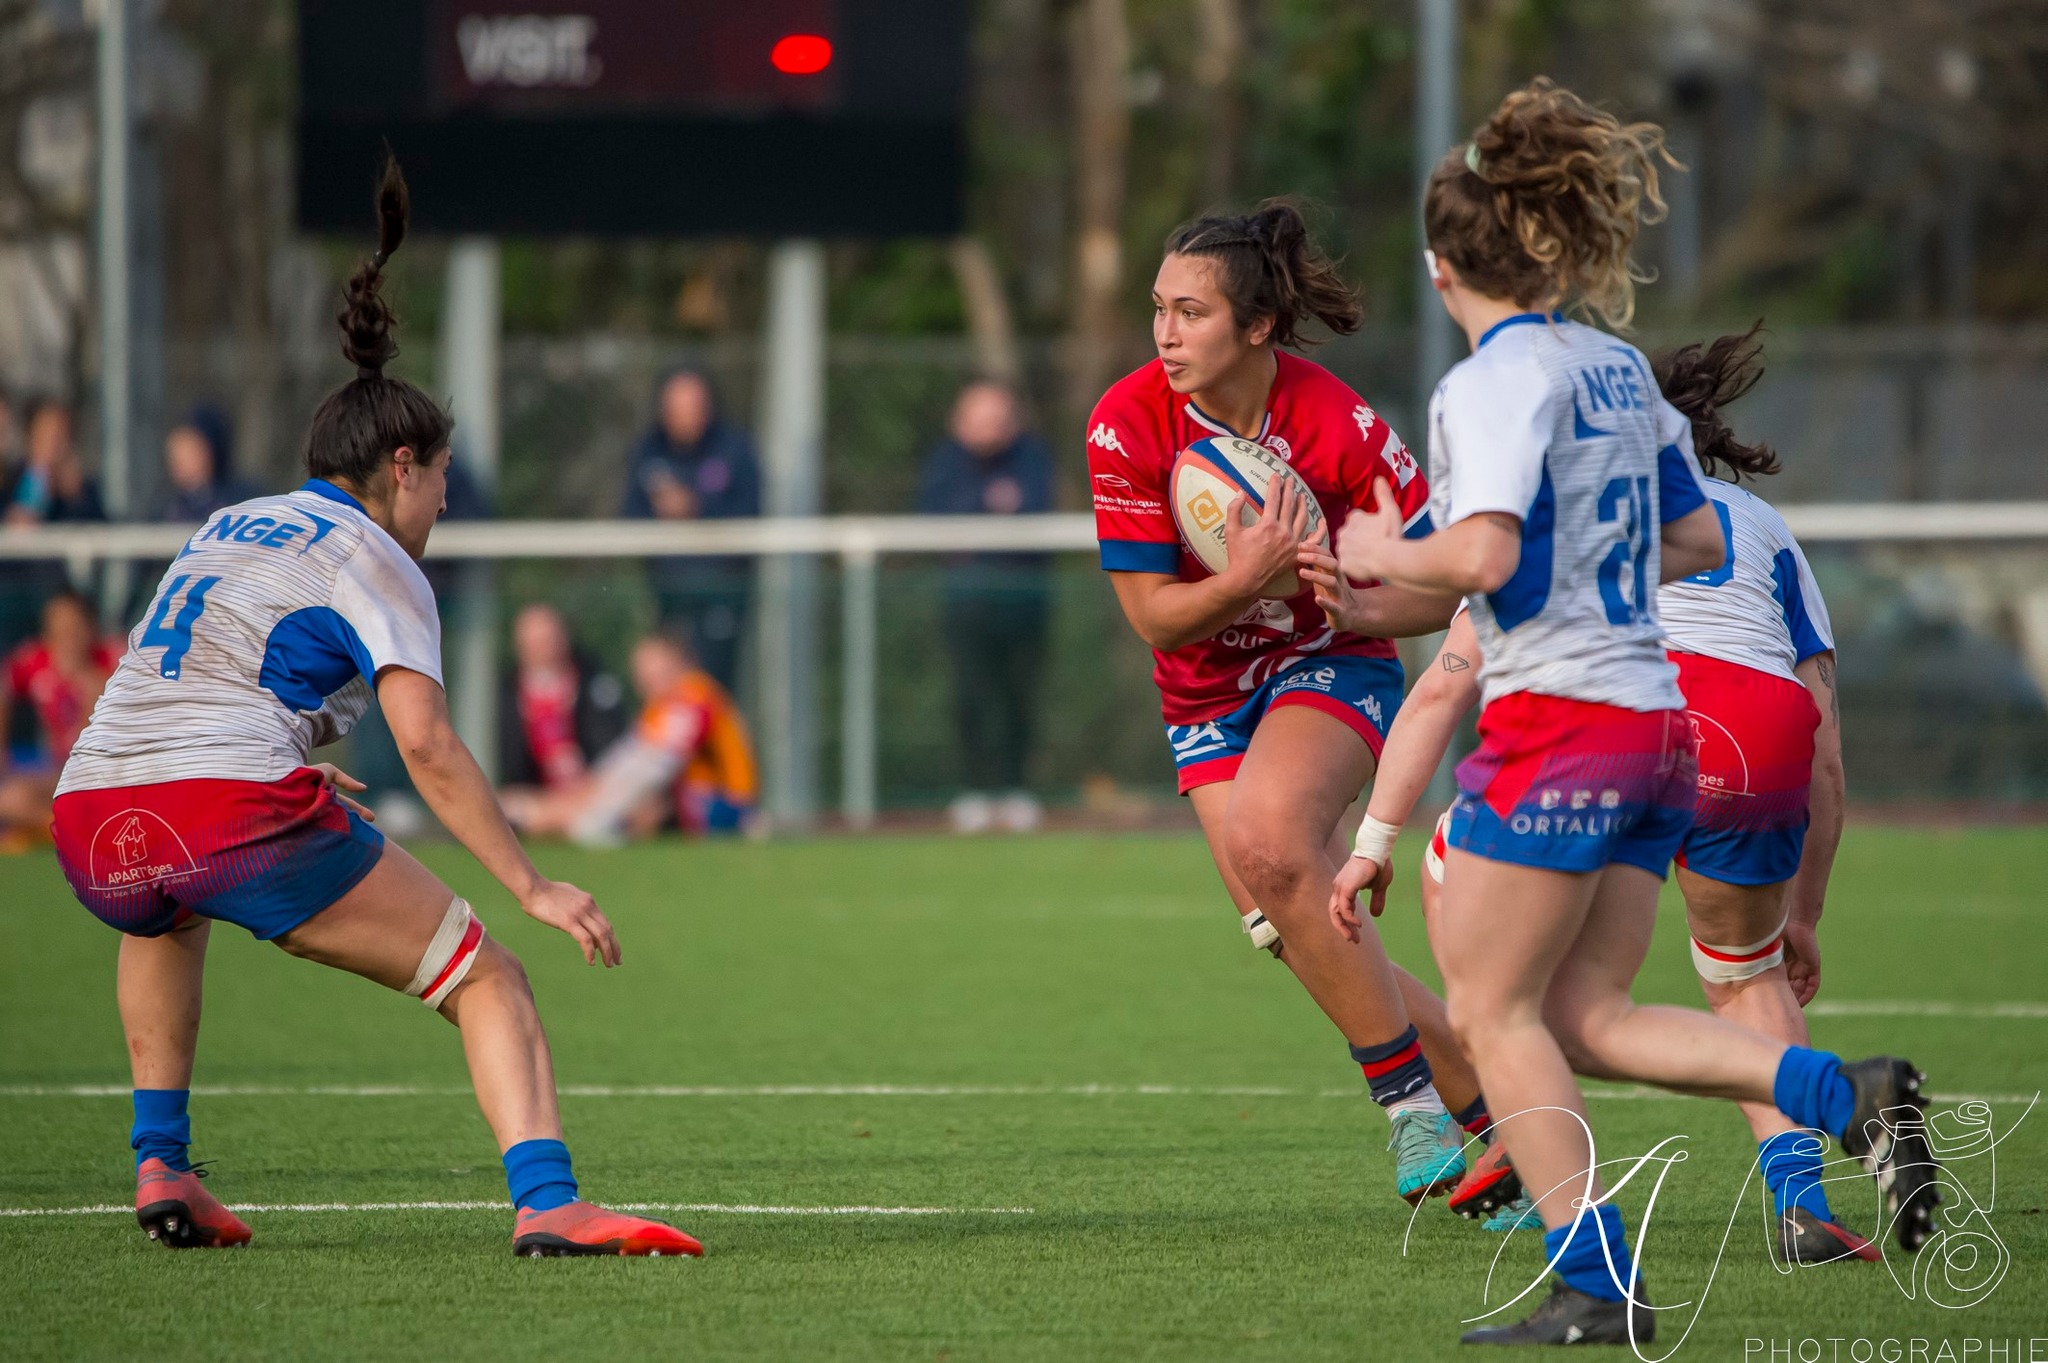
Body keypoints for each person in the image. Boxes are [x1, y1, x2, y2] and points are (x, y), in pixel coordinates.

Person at [1331, 81, 1938, 1345]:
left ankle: (1595, 1285)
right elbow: (1694, 534)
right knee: (1582, 1023)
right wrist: (1571, 565)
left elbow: (1486, 552)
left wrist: (1389, 550)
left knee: (1496, 1017)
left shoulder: (1484, 383)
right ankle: (1848, 1092)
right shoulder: (1611, 368)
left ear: (1443, 266)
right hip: (1654, 725)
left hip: (1559, 722)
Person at [47, 157, 699, 1259]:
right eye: (442, 477)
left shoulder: (226, 523)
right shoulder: (379, 555)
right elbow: (429, 748)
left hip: (89, 815)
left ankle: (163, 1164)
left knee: (166, 905)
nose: (444, 501)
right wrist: (531, 881)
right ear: (402, 464)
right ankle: (549, 1201)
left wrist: (290, 742)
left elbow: (191, 677)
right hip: (225, 808)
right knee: (486, 971)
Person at [1086, 198, 1493, 1208]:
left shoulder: (1339, 426)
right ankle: (1505, 1122)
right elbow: (1154, 619)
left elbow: (1439, 585)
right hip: (1201, 696)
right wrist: (1249, 576)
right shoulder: (1126, 420)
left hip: (1330, 663)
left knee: (1273, 847)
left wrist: (1350, 588)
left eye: (1189, 313)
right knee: (1292, 919)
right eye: (1157, 309)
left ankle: (1409, 1115)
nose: (1164, 334)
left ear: (1255, 326)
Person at [915, 380, 1056, 833]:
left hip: (1023, 604)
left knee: (1019, 697)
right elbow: (933, 518)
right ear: (959, 422)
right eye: (979, 418)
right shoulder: (945, 462)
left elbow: (1040, 509)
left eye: (997, 418)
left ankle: (1016, 790)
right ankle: (975, 790)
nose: (989, 429)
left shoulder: (1031, 457)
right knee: (970, 698)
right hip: (967, 606)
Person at [507, 630, 758, 846]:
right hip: (689, 803)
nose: (645, 677)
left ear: (677, 664)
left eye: (654, 667)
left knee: (612, 809)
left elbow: (651, 765)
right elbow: (629, 758)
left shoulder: (695, 695)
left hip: (720, 808)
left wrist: (595, 810)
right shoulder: (661, 704)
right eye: (641, 670)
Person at [622, 367, 761, 693]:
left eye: (695, 408)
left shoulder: (735, 449)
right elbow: (629, 516)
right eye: (678, 410)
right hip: (666, 595)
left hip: (722, 593)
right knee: (668, 691)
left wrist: (697, 509)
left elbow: (750, 514)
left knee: (711, 691)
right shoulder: (648, 451)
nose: (687, 419)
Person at [0, 590, 121, 847]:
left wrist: (90, 684)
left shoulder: (111, 661)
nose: (68, 636)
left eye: (75, 627)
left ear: (90, 627)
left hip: (108, 778)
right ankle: (57, 829)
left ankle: (53, 830)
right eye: (60, 628)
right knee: (9, 799)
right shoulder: (36, 662)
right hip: (59, 774)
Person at [496, 603, 631, 796]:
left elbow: (612, 746)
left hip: (595, 789)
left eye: (548, 641)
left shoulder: (595, 685)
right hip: (534, 795)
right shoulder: (505, 694)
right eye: (535, 644)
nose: (543, 651)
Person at [157, 405, 260, 523]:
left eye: (190, 453)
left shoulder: (243, 500)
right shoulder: (166, 508)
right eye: (174, 456)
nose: (179, 464)